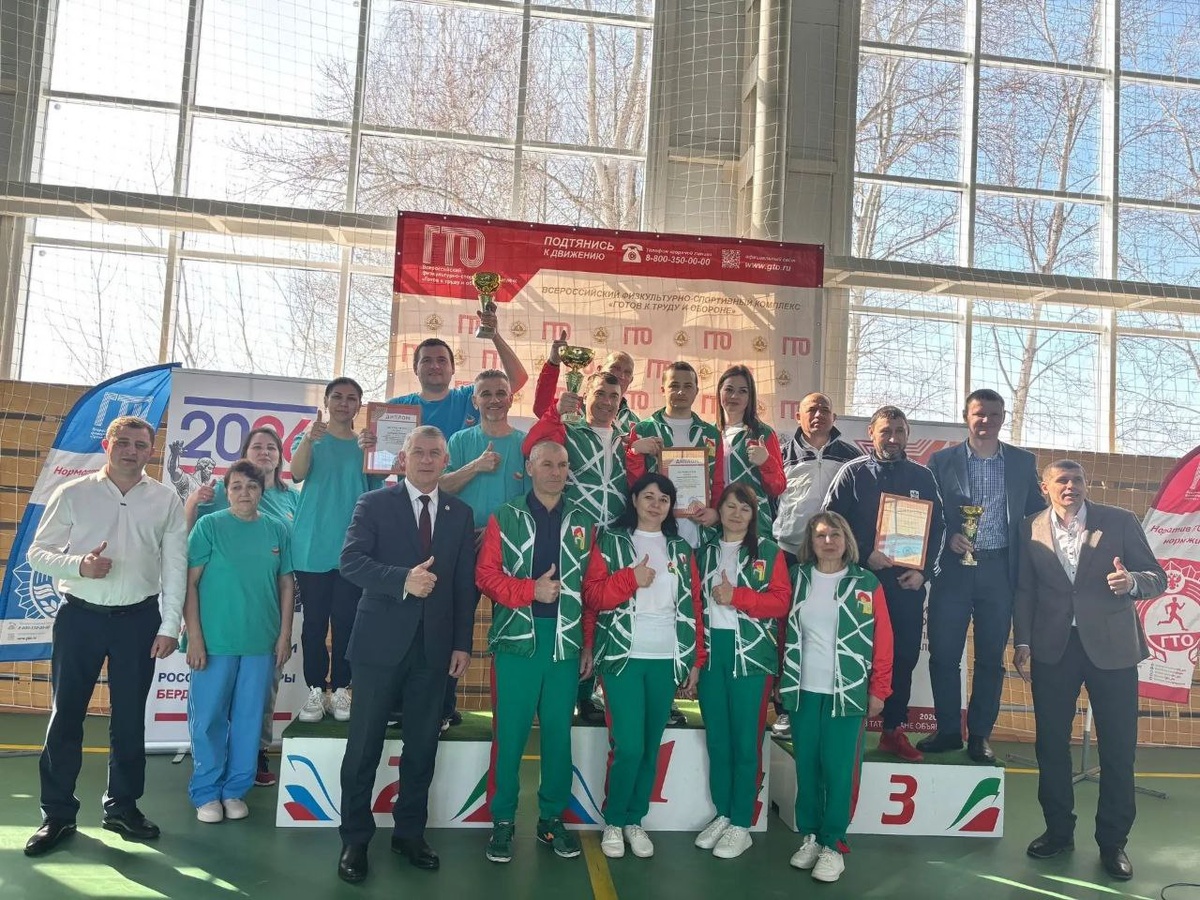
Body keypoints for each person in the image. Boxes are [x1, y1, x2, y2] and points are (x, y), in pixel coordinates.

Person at [24, 416, 187, 857]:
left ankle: (122, 808)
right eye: (124, 442)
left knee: (130, 719)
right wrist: (79, 565)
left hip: (139, 620)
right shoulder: (73, 493)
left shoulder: (165, 499)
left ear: (151, 450)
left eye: (141, 444)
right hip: (80, 617)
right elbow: (38, 553)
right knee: (66, 715)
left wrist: (169, 625)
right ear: (107, 445)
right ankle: (57, 813)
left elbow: (175, 565)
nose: (132, 451)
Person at [335, 426, 478, 885]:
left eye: (435, 453)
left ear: (446, 460)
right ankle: (355, 839)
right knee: (364, 747)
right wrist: (402, 580)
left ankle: (410, 834)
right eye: (419, 451)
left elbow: (463, 585)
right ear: (403, 457)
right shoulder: (374, 503)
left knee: (422, 747)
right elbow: (351, 562)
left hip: (434, 650)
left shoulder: (460, 513)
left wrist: (462, 643)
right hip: (378, 646)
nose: (427, 459)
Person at [1013, 460, 1166, 882]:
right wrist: (1022, 641)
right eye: (1061, 480)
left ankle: (1113, 843)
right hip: (1053, 649)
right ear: (1045, 487)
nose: (1070, 486)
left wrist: (1131, 582)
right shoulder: (1028, 527)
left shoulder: (1119, 520)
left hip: (1113, 649)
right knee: (1050, 745)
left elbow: (1158, 577)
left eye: (1077, 479)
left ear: (1086, 485)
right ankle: (1058, 832)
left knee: (1118, 749)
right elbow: (1025, 589)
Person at [475, 441, 593, 864]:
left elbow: (591, 589)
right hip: (517, 643)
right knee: (509, 736)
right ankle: (503, 819)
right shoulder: (505, 516)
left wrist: (588, 641)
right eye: (547, 463)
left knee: (558, 736)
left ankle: (551, 819)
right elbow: (485, 576)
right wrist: (531, 591)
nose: (556, 471)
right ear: (529, 467)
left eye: (562, 464)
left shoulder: (583, 521)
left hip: (565, 644)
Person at [582, 473, 705, 861]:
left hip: (666, 658)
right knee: (629, 746)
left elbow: (694, 605)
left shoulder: (680, 549)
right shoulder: (612, 541)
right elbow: (593, 596)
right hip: (623, 659)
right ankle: (614, 820)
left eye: (663, 499)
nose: (656, 504)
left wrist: (695, 659)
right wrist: (629, 579)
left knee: (650, 747)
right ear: (634, 500)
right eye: (648, 496)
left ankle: (635, 820)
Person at [919, 390, 1044, 763]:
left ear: (1003, 417)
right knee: (943, 654)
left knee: (990, 658)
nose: (986, 420)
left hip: (1000, 570)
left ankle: (980, 736)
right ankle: (947, 730)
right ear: (965, 416)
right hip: (952, 570)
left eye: (994, 414)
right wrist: (948, 537)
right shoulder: (941, 460)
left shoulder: (1023, 462)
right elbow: (928, 513)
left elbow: (1037, 514)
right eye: (979, 414)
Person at [824, 406, 944, 762]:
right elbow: (830, 525)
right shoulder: (852, 473)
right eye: (885, 431)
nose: (892, 438)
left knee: (903, 657)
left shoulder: (923, 477)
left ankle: (893, 730)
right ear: (871, 434)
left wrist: (923, 573)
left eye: (899, 431)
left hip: (906, 585)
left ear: (907, 435)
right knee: (854, 654)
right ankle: (847, 728)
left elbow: (939, 529)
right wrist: (864, 555)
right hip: (858, 583)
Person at [780, 511, 893, 884]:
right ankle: (812, 836)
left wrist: (879, 689)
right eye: (820, 535)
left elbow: (883, 640)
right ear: (810, 542)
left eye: (835, 535)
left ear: (847, 540)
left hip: (847, 693)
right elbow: (781, 630)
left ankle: (834, 844)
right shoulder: (797, 578)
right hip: (803, 691)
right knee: (807, 766)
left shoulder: (866, 583)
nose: (828, 542)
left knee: (839, 770)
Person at [186, 426, 300, 786]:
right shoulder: (212, 519)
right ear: (227, 489)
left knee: (253, 712)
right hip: (217, 633)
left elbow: (286, 579)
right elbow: (189, 574)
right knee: (209, 714)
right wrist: (194, 635)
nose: (244, 492)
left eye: (271, 447)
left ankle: (241, 779)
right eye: (236, 487)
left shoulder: (285, 512)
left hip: (261, 633)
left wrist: (284, 634)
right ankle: (207, 785)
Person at [524, 371, 632, 724]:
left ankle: (589, 695)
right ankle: (556, 695)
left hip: (614, 540)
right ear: (587, 397)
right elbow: (531, 446)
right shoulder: (570, 432)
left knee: (603, 615)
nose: (606, 402)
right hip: (575, 537)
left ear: (621, 401)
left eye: (613, 397)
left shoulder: (628, 439)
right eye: (600, 394)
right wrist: (556, 410)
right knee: (569, 611)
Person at [691, 484, 791, 859]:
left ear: (754, 515)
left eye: (744, 508)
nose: (736, 514)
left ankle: (742, 822)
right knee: (718, 740)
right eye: (730, 506)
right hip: (712, 655)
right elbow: (692, 606)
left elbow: (781, 603)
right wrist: (695, 659)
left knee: (746, 741)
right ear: (719, 511)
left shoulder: (768, 551)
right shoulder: (704, 553)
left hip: (751, 657)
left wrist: (738, 597)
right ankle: (724, 812)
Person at [439, 370, 528, 731]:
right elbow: (441, 486)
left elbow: (533, 501)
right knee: (454, 627)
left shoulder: (525, 444)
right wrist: (476, 466)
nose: (494, 399)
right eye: (486, 393)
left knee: (508, 633)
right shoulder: (460, 440)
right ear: (474, 400)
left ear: (511, 398)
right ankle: (443, 708)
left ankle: (508, 712)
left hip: (511, 551)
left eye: (500, 393)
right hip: (464, 547)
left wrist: (498, 533)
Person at [290, 378, 382, 725]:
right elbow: (296, 473)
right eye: (338, 397)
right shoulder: (311, 438)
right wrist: (308, 441)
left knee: (347, 622)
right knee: (314, 623)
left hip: (353, 550)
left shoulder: (366, 444)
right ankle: (316, 689)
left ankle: (342, 688)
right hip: (312, 546)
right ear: (327, 402)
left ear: (359, 405)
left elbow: (375, 491)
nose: (344, 403)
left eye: (351, 398)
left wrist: (375, 453)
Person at [770, 392, 862, 739]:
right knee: (786, 630)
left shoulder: (851, 456)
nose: (818, 414)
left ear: (834, 416)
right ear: (798, 415)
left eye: (825, 409)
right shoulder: (782, 453)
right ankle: (785, 710)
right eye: (811, 409)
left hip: (831, 556)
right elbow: (770, 501)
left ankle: (830, 702)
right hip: (789, 552)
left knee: (828, 629)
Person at [626, 360, 721, 548]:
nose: (680, 392)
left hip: (699, 531)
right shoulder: (643, 430)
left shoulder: (711, 434)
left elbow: (718, 481)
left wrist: (716, 512)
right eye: (674, 386)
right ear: (663, 389)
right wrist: (634, 452)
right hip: (655, 528)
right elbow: (633, 483)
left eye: (687, 386)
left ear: (696, 391)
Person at [387, 332, 528, 438]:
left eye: (442, 360)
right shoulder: (396, 407)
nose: (435, 366)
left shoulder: (471, 396)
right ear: (415, 368)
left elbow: (518, 379)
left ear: (453, 368)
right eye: (427, 361)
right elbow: (381, 455)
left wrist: (494, 335)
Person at [711, 365, 786, 538]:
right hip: (717, 524)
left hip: (755, 525)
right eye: (729, 389)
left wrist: (766, 462)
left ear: (750, 397)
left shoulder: (763, 433)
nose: (734, 396)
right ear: (719, 392)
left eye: (742, 391)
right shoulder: (708, 434)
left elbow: (778, 487)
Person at [534, 331, 640, 432]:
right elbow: (542, 409)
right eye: (615, 368)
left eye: (627, 372)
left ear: (631, 380)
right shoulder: (572, 405)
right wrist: (553, 363)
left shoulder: (635, 424)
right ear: (599, 370)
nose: (621, 376)